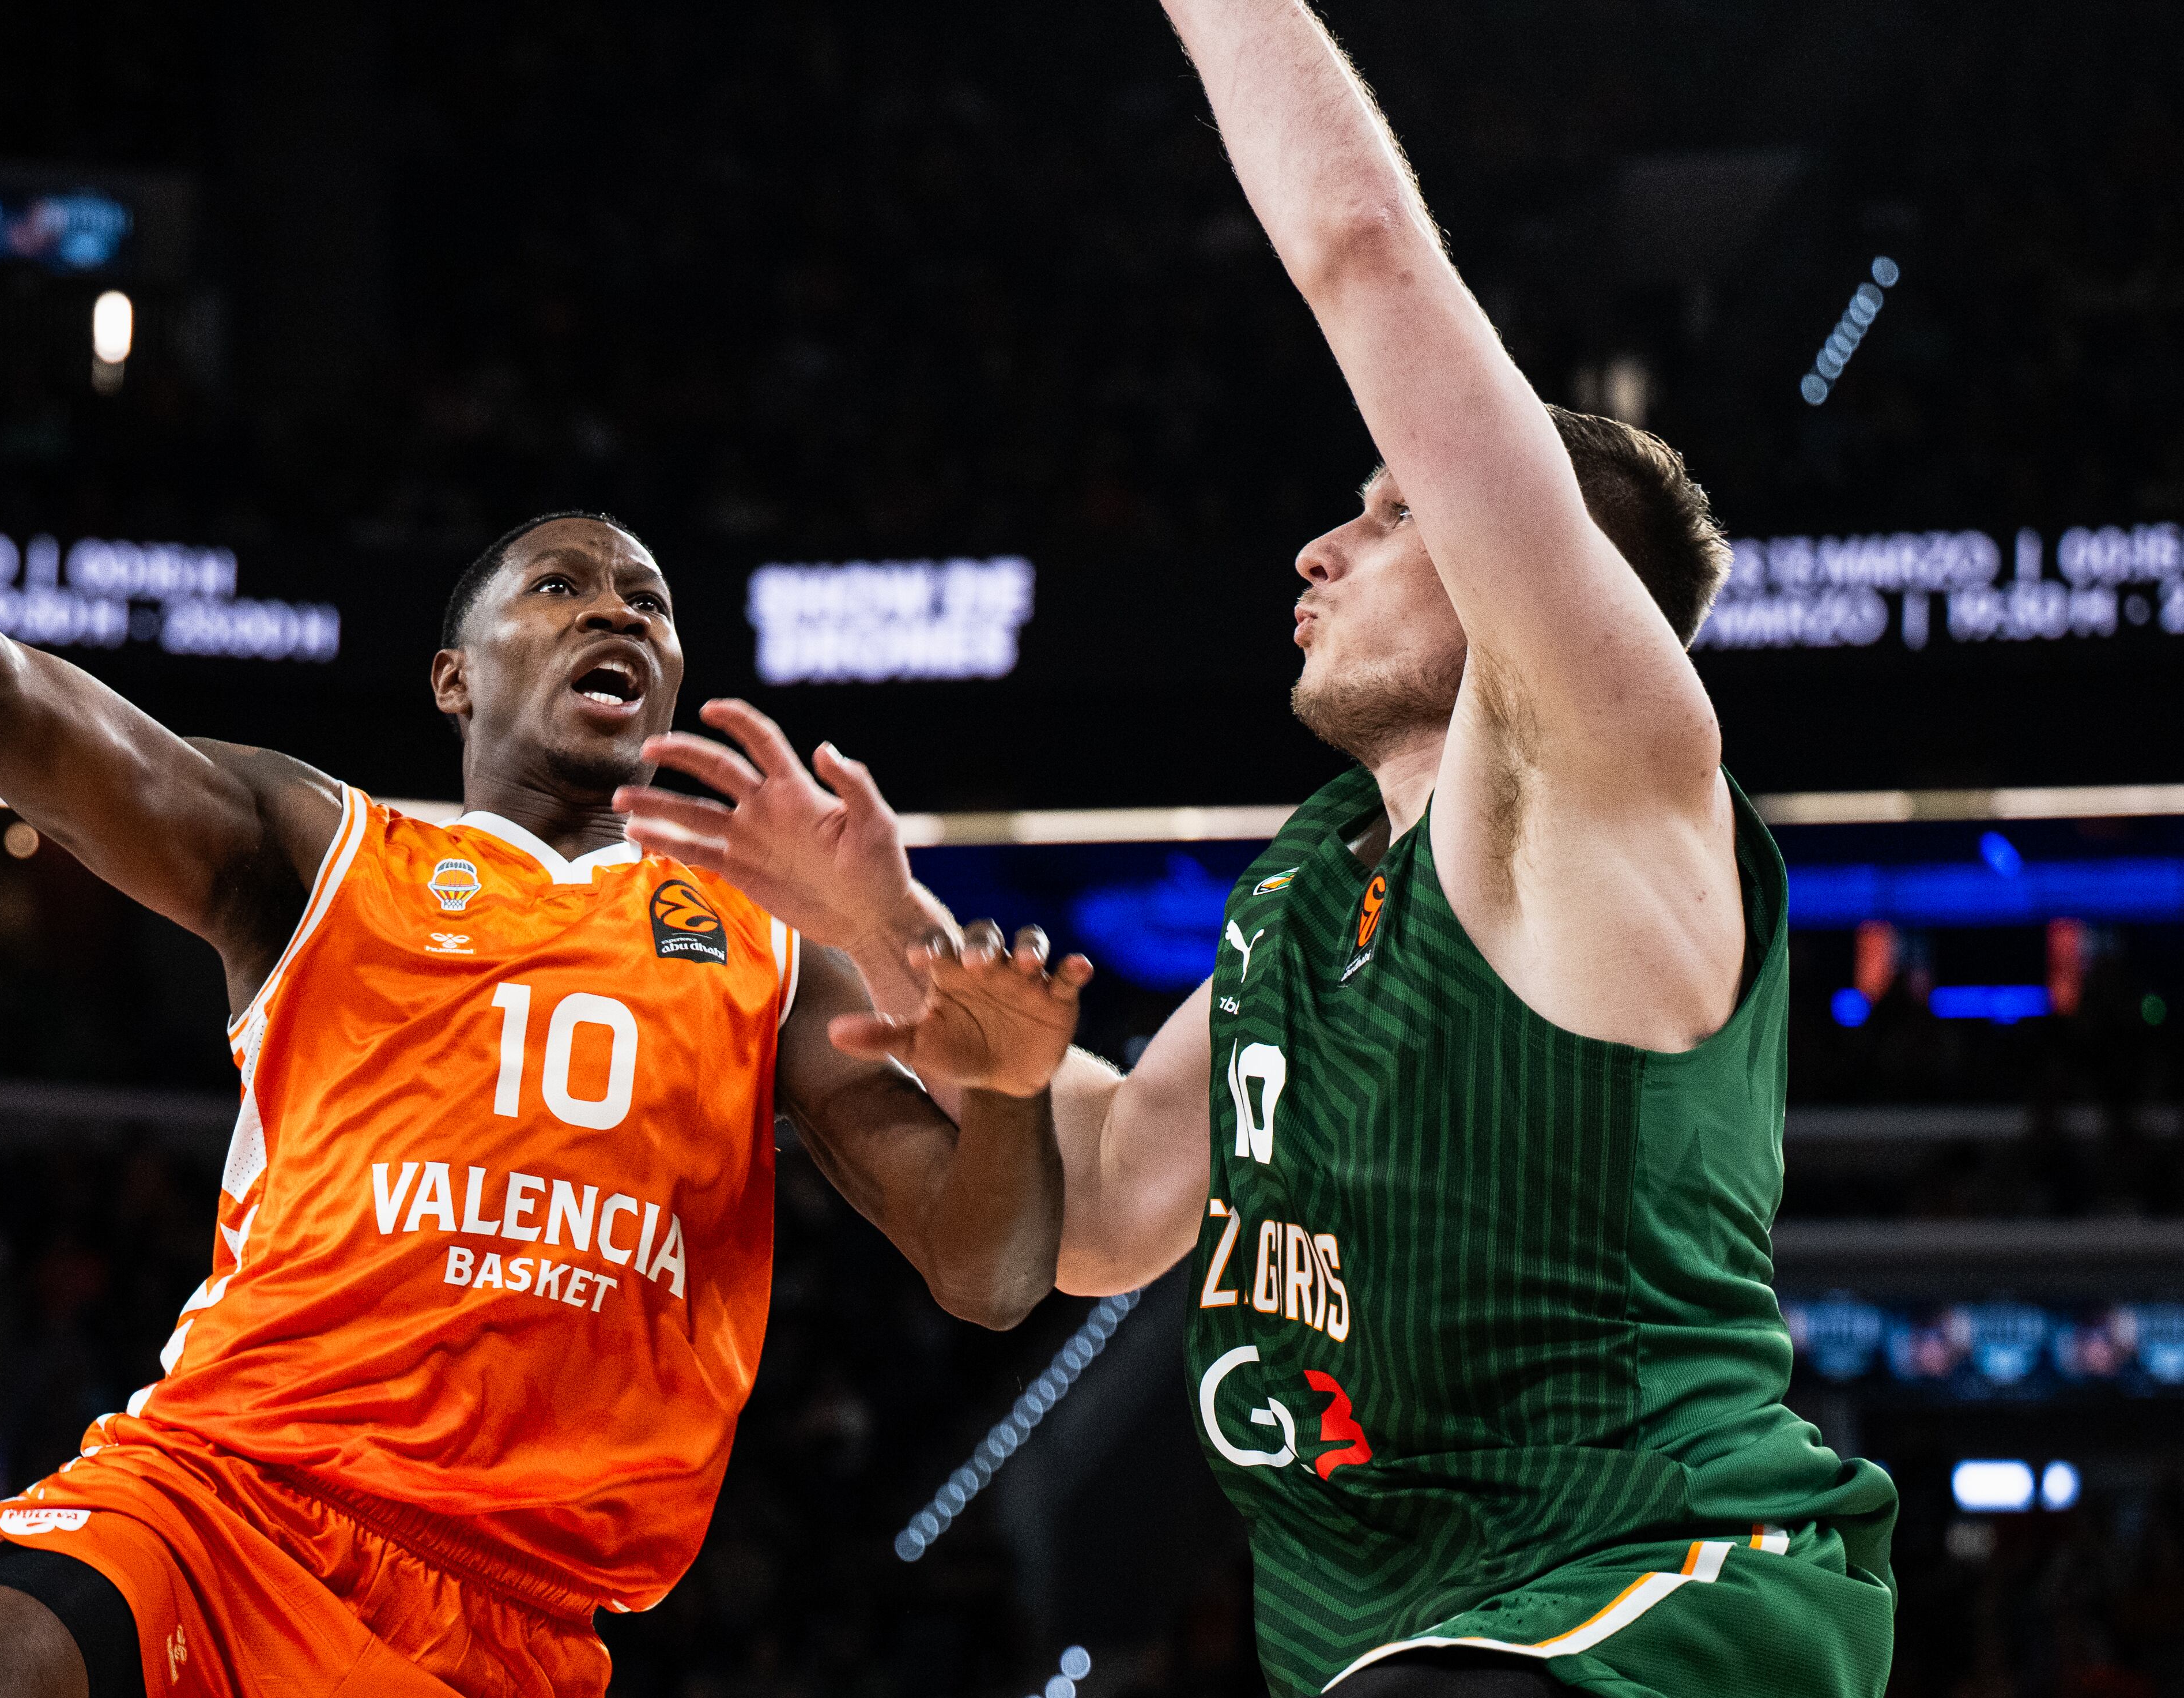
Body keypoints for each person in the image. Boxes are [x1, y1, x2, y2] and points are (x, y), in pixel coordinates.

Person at [0, 200, 1095, 1698]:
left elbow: (994, 1270)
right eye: (564, 584)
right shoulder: (322, 845)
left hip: (506, 1617)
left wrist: (1011, 1090)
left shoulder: (763, 950)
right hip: (222, 1493)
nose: (619, 612)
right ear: (454, 676)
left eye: (648, 599)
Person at [613, 5, 1900, 1695]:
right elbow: (1113, 1199)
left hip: (1657, 1601)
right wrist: (876, 915)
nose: (1317, 547)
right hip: (1398, 1641)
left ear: (1540, 565)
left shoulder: (1607, 769)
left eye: (1386, 514)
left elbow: (1364, 249)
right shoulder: (1307, 886)